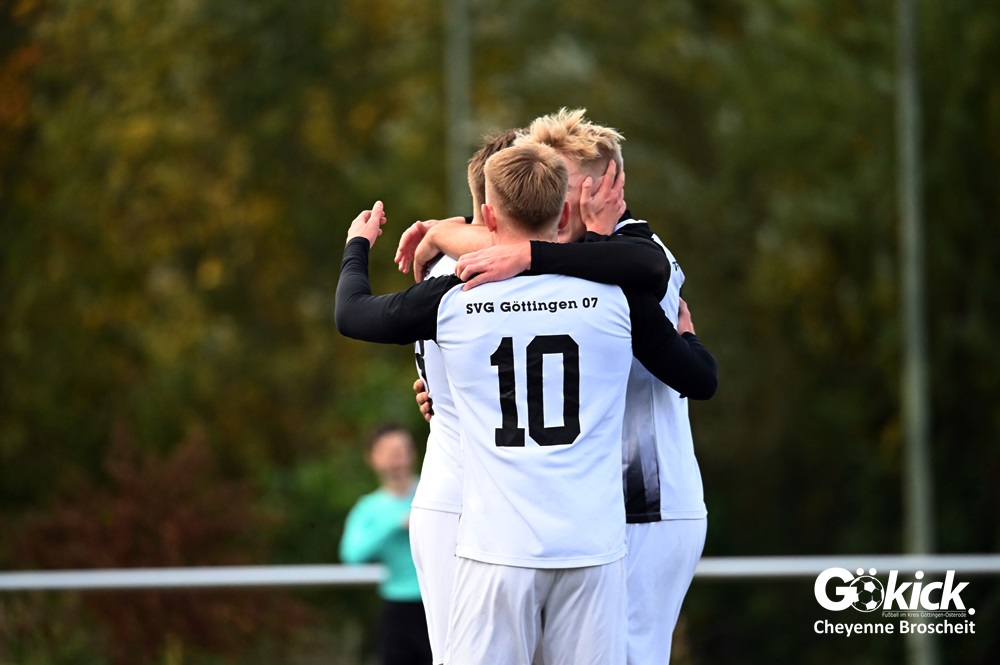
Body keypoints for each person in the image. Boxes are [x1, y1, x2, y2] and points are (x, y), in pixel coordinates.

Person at [336, 141, 717, 665]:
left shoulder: (454, 296)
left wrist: (358, 245)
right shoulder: (617, 298)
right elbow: (700, 378)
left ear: (488, 218)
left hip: (497, 544)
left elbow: (352, 312)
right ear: (563, 215)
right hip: (591, 547)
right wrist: (689, 337)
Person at [404, 128, 520, 665]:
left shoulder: (446, 259)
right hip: (467, 492)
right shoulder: (489, 268)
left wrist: (440, 230)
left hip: (466, 488)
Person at [339, 424, 432, 665]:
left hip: (442, 604)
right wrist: (396, 524)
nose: (398, 457)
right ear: (372, 458)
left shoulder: (434, 494)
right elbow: (352, 554)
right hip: (399, 610)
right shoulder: (368, 508)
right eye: (389, 451)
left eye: (403, 449)